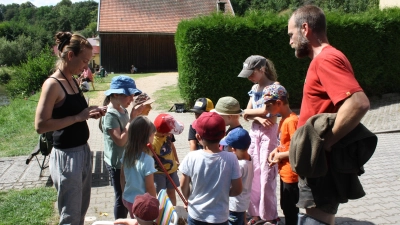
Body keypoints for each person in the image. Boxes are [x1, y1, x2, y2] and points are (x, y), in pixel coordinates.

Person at [287, 5, 370, 225]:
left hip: (320, 165)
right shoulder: (329, 57)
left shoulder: (325, 59)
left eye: (291, 34)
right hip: (320, 163)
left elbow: (358, 103)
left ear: (305, 28)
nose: (290, 41)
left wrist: (326, 143)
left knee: (316, 221)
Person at [34, 31, 106, 225]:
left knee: (80, 210)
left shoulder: (73, 81)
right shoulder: (53, 85)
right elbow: (40, 125)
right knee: (70, 215)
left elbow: (77, 114)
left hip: (82, 151)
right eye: (84, 61)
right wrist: (77, 117)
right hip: (67, 156)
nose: (86, 67)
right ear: (70, 55)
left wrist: (91, 111)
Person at [179, 112, 242, 225]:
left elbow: (183, 184)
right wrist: (221, 193)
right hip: (219, 217)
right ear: (223, 135)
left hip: (196, 215)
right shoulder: (231, 158)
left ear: (198, 136)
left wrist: (188, 198)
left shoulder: (191, 156)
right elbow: (238, 189)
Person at [238, 55, 280, 224]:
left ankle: (270, 215)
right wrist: (259, 117)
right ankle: (255, 213)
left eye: (251, 73)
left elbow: (267, 111)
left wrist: (253, 114)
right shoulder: (255, 88)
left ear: (262, 69)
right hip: (255, 133)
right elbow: (246, 112)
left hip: (268, 135)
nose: (249, 77)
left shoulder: (275, 87)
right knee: (253, 174)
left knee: (267, 174)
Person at [101, 75, 145, 219]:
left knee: (128, 195)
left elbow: (128, 132)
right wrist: (132, 118)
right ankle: (119, 222)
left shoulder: (122, 109)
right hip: (116, 164)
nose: (132, 99)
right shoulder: (110, 115)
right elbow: (120, 141)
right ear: (115, 94)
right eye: (129, 95)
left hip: (125, 160)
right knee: (121, 199)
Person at [258, 84, 298, 225]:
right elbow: (283, 143)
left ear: (279, 103)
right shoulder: (283, 120)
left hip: (292, 174)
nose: (267, 110)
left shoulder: (291, 121)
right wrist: (276, 151)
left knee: (291, 208)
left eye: (269, 106)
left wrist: (280, 156)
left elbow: (297, 148)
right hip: (284, 172)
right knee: (285, 205)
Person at [121, 116, 158, 219]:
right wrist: (155, 202)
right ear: (148, 137)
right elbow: (150, 186)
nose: (154, 138)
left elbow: (122, 176)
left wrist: (124, 192)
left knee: (135, 220)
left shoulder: (126, 153)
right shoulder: (148, 160)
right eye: (153, 135)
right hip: (142, 204)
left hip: (128, 199)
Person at [219, 128, 253, 225]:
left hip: (234, 205)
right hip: (243, 202)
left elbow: (228, 183)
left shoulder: (239, 165)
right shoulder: (249, 158)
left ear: (233, 150)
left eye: (228, 147)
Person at [152, 113, 184, 206]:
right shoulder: (152, 140)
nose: (170, 134)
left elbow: (172, 146)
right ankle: (161, 215)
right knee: (160, 196)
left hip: (172, 170)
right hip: (158, 173)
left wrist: (177, 160)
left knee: (172, 193)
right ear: (163, 132)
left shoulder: (168, 135)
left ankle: (173, 211)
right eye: (169, 132)